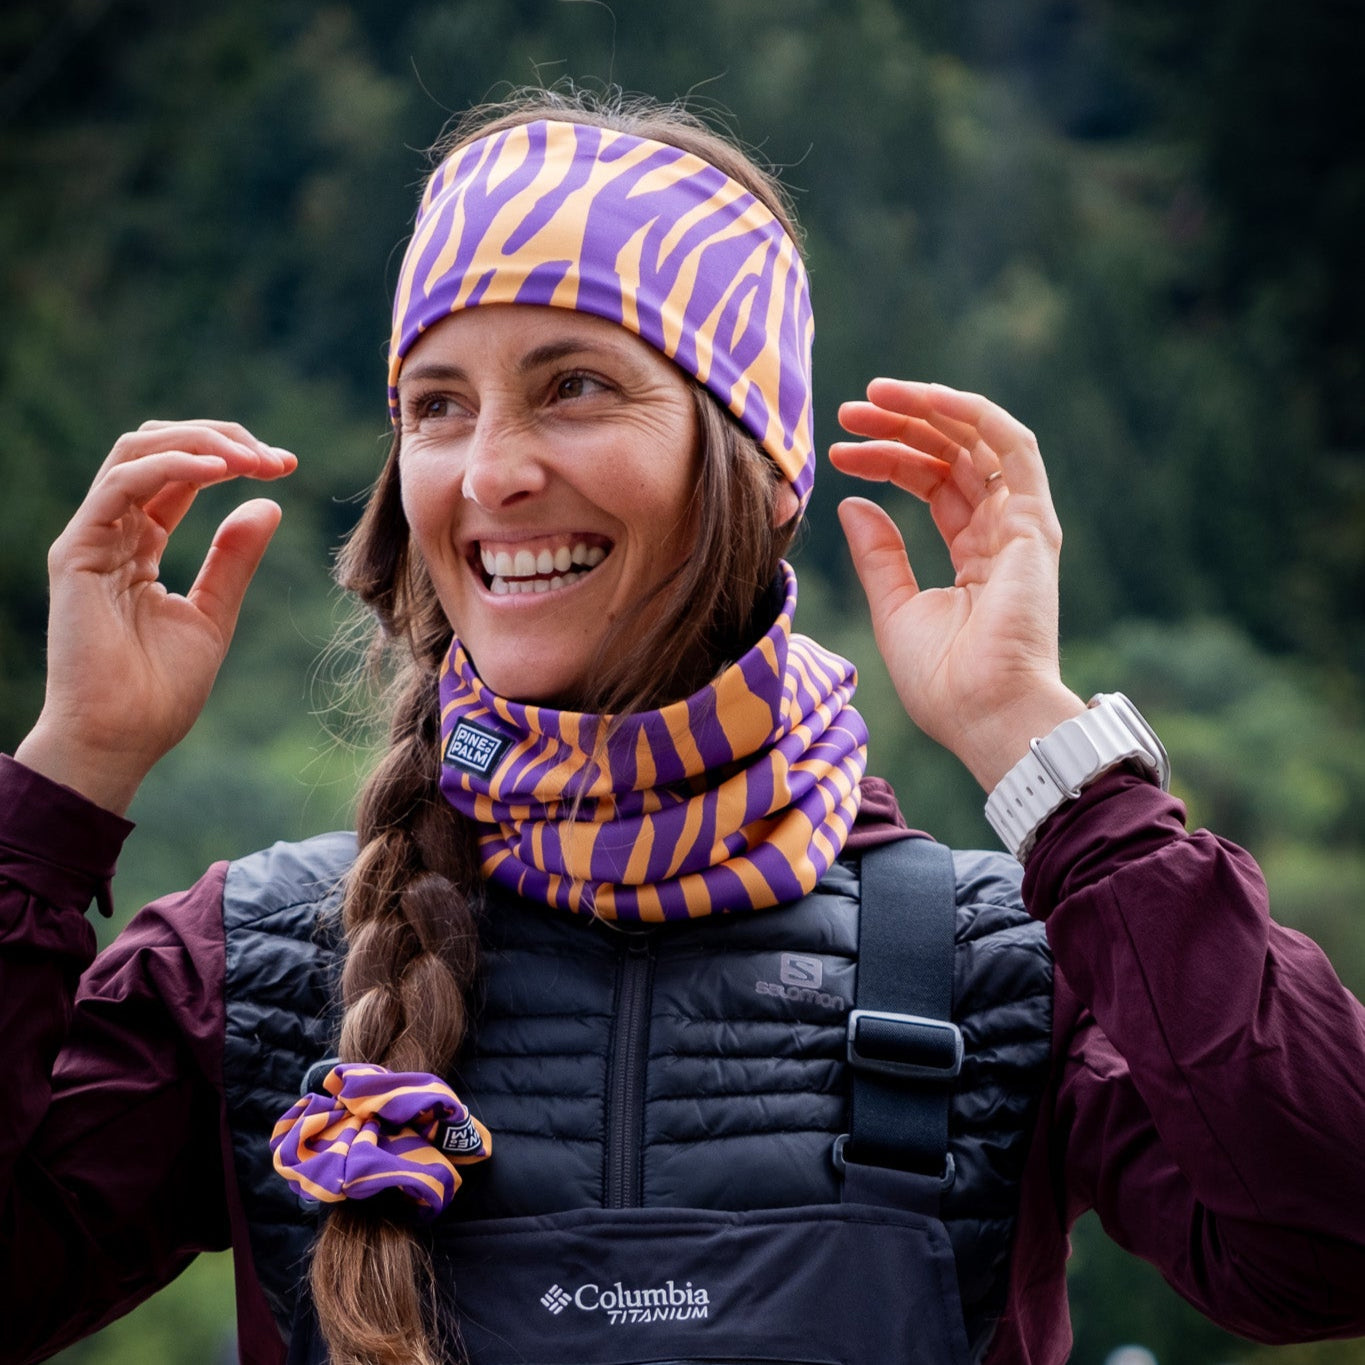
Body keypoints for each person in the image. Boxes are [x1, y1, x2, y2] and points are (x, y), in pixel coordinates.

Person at [2, 88, 1363, 1365]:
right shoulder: (250, 971)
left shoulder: (997, 967)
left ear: (759, 468)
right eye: (437, 406)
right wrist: (69, 780)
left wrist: (1037, 741)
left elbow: (1324, 1244)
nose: (489, 472)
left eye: (574, 386)